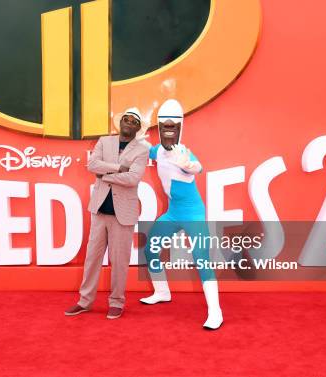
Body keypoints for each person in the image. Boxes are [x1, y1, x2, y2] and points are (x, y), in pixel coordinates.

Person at [140, 99, 223, 330]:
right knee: (151, 248)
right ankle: (162, 291)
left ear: (179, 128)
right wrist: (139, 139)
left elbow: (197, 167)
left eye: (173, 126)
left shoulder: (184, 152)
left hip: (194, 214)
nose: (168, 130)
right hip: (173, 213)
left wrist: (187, 164)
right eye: (164, 126)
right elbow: (151, 150)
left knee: (201, 258)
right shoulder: (159, 151)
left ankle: (216, 312)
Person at [65, 108, 149, 319]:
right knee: (92, 258)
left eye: (133, 121)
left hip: (124, 215)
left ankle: (117, 302)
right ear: (120, 122)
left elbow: (133, 179)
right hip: (99, 211)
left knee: (119, 261)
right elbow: (92, 164)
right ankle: (85, 301)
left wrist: (106, 176)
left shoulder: (142, 149)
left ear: (138, 128)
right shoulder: (105, 141)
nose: (128, 123)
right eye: (126, 119)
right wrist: (119, 168)